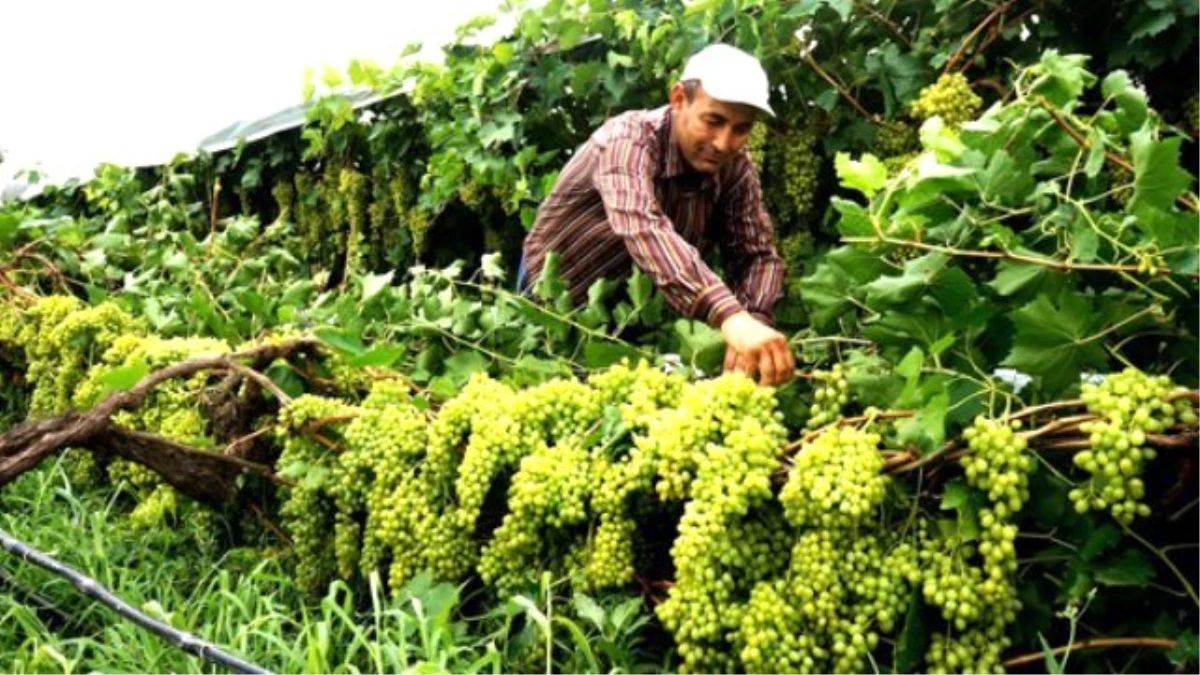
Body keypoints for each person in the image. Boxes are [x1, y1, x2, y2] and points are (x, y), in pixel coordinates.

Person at [518, 44, 795, 387]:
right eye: (714, 121)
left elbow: (756, 255)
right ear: (679, 99)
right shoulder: (627, 140)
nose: (724, 143)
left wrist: (754, 318)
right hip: (557, 296)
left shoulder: (735, 168)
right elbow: (641, 225)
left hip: (633, 314)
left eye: (741, 129)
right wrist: (730, 316)